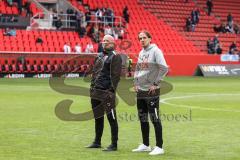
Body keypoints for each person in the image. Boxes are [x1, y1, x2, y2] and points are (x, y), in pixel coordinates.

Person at [133, 30, 168, 155]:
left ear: (150, 38)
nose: (142, 40)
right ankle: (146, 145)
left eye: (144, 37)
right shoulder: (141, 52)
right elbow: (137, 69)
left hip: (151, 91)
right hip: (140, 90)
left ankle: (159, 146)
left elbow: (164, 67)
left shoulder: (156, 51)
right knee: (143, 118)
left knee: (154, 118)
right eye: (140, 38)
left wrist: (156, 83)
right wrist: (136, 82)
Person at [86, 35, 122, 151]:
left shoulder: (116, 57)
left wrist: (111, 91)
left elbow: (116, 77)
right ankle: (97, 141)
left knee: (111, 118)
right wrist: (92, 87)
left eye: (107, 41)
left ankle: (114, 144)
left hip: (107, 93)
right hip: (95, 92)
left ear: (113, 43)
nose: (104, 42)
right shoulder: (99, 56)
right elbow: (94, 73)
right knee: (98, 118)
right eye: (103, 40)